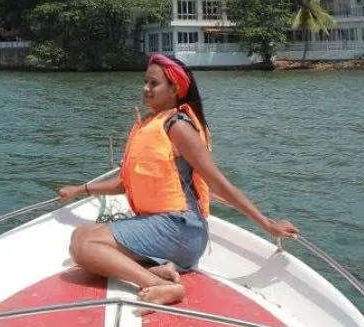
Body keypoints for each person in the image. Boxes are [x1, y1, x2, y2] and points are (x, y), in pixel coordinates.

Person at [56, 54, 299, 310]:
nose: (145, 88)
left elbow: (218, 183)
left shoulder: (178, 126)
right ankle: (162, 271)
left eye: (153, 83)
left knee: (84, 247)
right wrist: (80, 189)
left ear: (174, 89)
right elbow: (124, 184)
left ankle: (158, 285)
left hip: (180, 229)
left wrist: (267, 224)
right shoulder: (150, 124)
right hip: (160, 226)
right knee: (80, 235)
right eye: (145, 82)